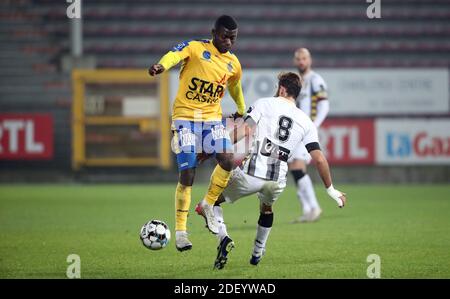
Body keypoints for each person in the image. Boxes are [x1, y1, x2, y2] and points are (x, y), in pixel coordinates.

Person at [197, 72, 346, 269]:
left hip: (251, 173)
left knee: (211, 201)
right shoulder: (305, 120)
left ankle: (223, 238)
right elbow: (319, 158)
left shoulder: (264, 103)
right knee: (266, 208)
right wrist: (331, 189)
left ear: (282, 89)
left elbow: (245, 130)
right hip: (277, 180)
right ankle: (258, 250)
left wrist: (214, 147)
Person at [149, 15, 246, 251]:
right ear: (214, 32)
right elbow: (174, 55)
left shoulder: (233, 63)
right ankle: (181, 232)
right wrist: (162, 66)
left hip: (212, 120)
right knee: (188, 174)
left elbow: (234, 86)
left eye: (233, 38)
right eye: (225, 36)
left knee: (228, 159)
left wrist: (241, 109)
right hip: (185, 119)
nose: (229, 42)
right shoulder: (195, 48)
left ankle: (208, 204)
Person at [289, 48, 330, 223]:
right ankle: (307, 208)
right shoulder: (296, 81)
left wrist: (314, 126)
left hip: (306, 131)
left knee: (297, 167)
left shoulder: (315, 80)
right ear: (295, 61)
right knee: (294, 168)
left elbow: (324, 105)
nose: (301, 62)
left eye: (304, 58)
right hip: (295, 131)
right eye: (298, 59)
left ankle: (313, 207)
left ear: (310, 60)